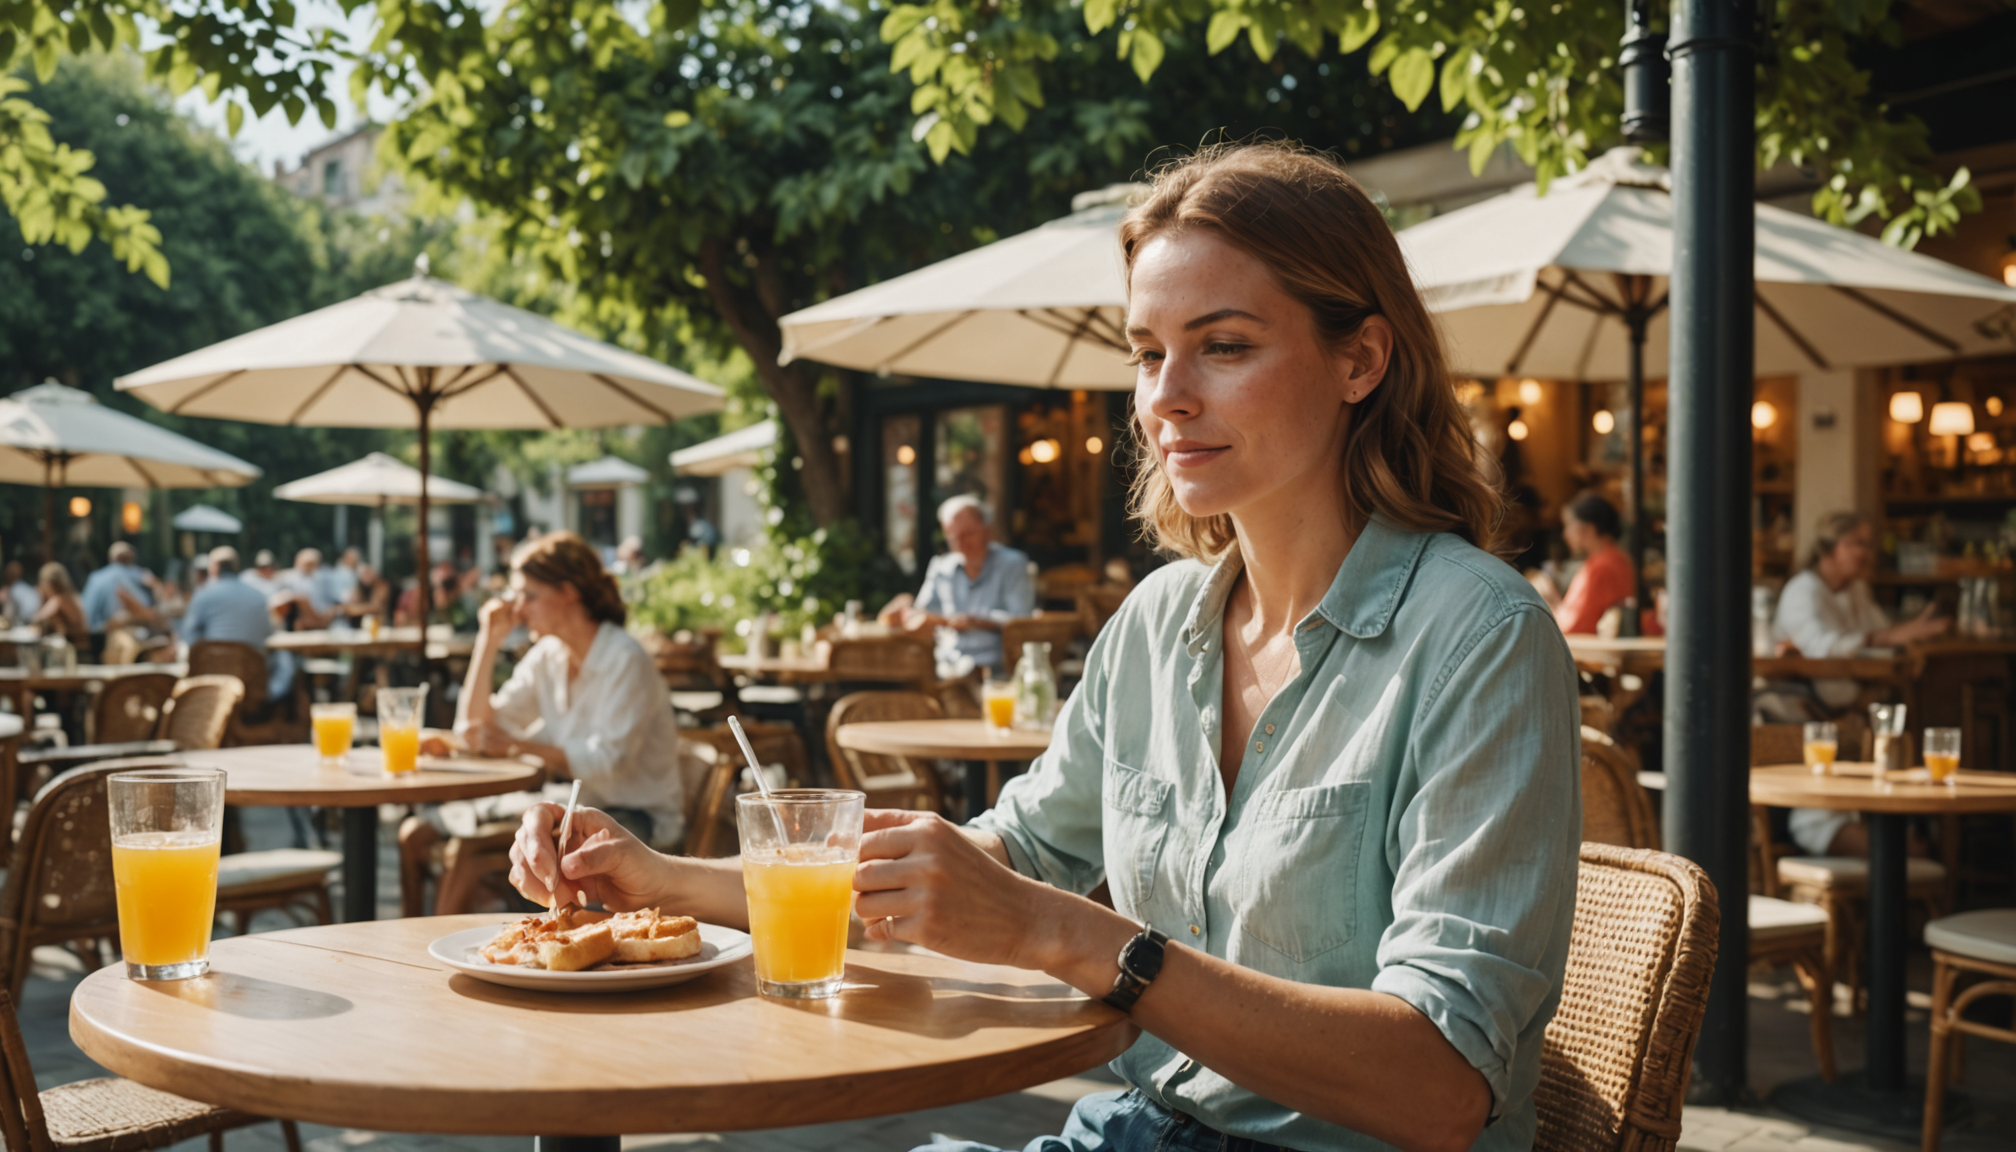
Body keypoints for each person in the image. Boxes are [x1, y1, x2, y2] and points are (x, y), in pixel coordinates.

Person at [507, 142, 1580, 1152]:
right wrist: (658, 878)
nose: (1165, 398)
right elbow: (1003, 861)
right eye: (1149, 353)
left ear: (1361, 359)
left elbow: (1442, 1088)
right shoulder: (1159, 626)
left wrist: (1070, 937)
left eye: (1224, 346)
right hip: (1138, 1127)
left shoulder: (1479, 637)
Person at [402, 531, 685, 914]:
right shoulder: (548, 655)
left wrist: (517, 747)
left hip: (636, 815)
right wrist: (489, 639)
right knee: (417, 833)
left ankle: (442, 948)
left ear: (569, 592)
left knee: (470, 853)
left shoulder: (624, 659)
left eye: (529, 595)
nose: (518, 608)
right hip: (573, 803)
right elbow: (473, 728)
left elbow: (607, 763)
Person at [1776, 510, 1948, 856]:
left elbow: (1882, 638)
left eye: (1870, 544)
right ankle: (1892, 854)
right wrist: (1889, 639)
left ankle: (1903, 851)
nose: (1868, 553)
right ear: (1830, 549)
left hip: (1856, 713)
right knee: (1823, 808)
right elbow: (1823, 648)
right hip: (1809, 717)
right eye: (1858, 544)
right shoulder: (1803, 590)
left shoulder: (1856, 590)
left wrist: (1902, 640)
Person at [877, 494, 1035, 676]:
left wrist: (978, 622)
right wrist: (908, 613)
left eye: (968, 534)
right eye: (953, 537)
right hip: (948, 668)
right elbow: (923, 613)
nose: (962, 544)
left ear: (988, 530)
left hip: (999, 668)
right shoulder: (940, 567)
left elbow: (1022, 620)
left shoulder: (1013, 564)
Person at [180, 546, 292, 703]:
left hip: (213, 680)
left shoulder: (203, 595)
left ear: (214, 569)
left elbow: (188, 636)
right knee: (285, 659)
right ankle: (273, 704)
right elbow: (267, 635)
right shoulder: (259, 596)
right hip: (253, 681)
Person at [1533, 492, 1635, 636]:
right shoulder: (1619, 559)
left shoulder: (1601, 567)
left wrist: (1545, 602)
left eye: (1569, 525)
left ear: (1588, 528)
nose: (1565, 534)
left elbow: (1574, 625)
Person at [80, 542, 155, 636]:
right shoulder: (141, 575)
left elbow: (86, 616)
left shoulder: (97, 578)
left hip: (106, 634)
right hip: (116, 633)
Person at [276, 548, 337, 631]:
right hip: (298, 616)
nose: (310, 567)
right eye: (308, 564)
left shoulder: (322, 579)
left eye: (313, 564)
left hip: (321, 616)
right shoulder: (288, 579)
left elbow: (329, 600)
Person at [32, 562, 88, 648]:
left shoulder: (59, 600)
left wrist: (41, 596)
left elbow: (37, 619)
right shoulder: (72, 597)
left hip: (76, 649)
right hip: (80, 646)